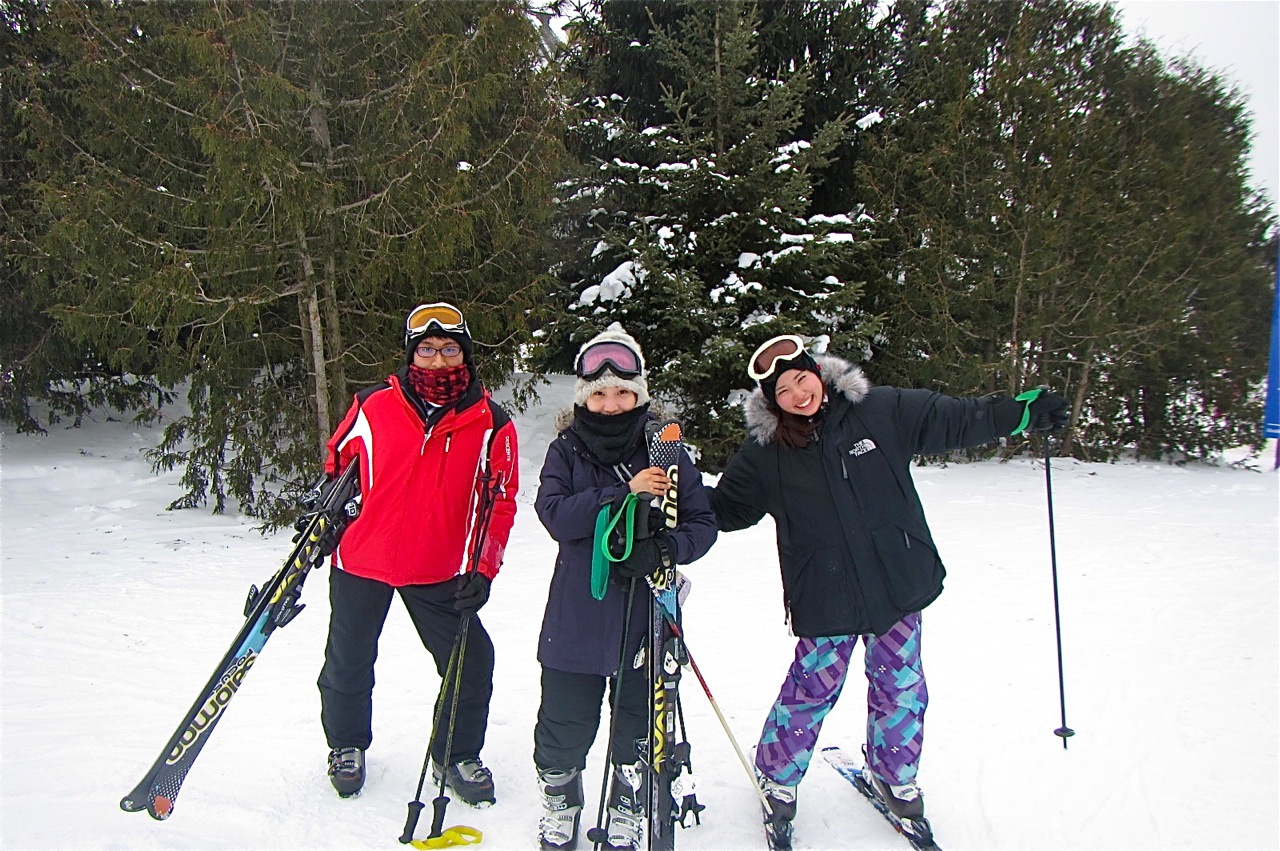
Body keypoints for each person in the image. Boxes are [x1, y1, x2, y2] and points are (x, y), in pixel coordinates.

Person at [707, 334, 1069, 843]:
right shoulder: (766, 453)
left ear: (818, 372)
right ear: (771, 401)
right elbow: (726, 509)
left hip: (895, 581)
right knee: (811, 688)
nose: (798, 395)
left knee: (900, 684)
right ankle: (777, 775)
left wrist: (1020, 413)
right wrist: (676, 496)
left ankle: (894, 774)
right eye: (783, 391)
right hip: (825, 593)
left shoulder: (879, 410)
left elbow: (954, 418)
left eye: (801, 379)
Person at [316, 302, 519, 804]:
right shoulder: (373, 405)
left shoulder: (491, 423)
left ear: (465, 354)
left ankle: (455, 753)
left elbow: (500, 502)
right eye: (426, 349)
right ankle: (346, 745)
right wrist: (330, 514)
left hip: (438, 565)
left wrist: (483, 568)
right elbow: (338, 462)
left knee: (472, 661)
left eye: (449, 349)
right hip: (363, 557)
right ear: (411, 355)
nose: (437, 359)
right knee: (348, 659)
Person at [532, 324, 718, 851]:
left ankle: (628, 801)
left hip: (647, 610)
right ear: (583, 397)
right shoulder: (566, 450)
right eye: (599, 394)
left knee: (638, 718)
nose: (610, 404)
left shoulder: (666, 450)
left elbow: (701, 524)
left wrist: (663, 551)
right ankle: (561, 798)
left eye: (622, 392)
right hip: (579, 608)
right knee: (564, 718)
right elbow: (555, 515)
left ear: (639, 393)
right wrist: (622, 494)